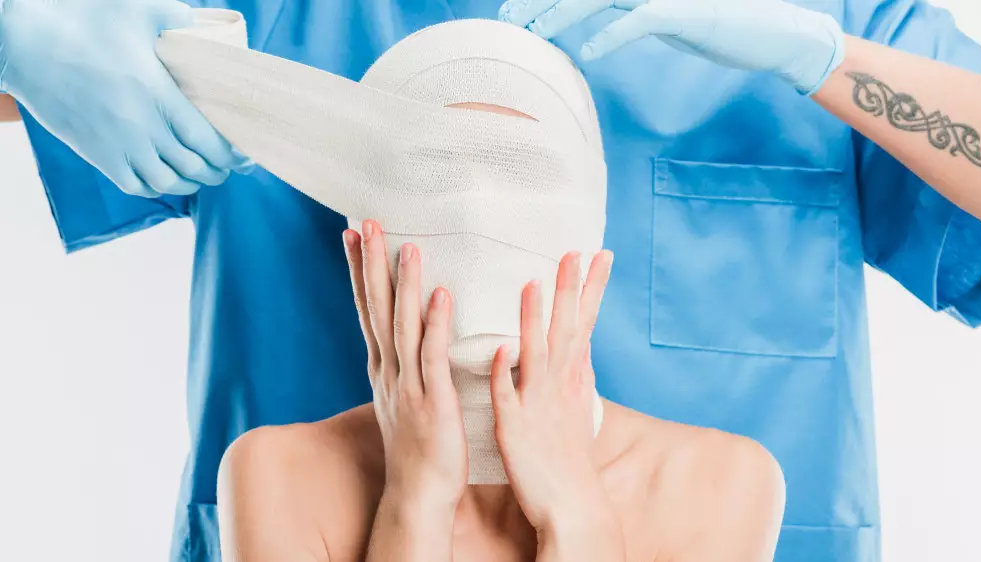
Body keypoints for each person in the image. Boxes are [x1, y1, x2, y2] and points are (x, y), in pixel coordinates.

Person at [1, 0, 981, 561]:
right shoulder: (276, 15)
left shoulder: (816, 13)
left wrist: (827, 57)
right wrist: (22, 35)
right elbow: (75, 66)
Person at [215, 22, 784, 558]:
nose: (475, 215)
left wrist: (574, 515)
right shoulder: (276, 474)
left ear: (591, 223)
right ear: (362, 237)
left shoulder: (719, 484)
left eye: (523, 172)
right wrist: (414, 505)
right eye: (430, 175)